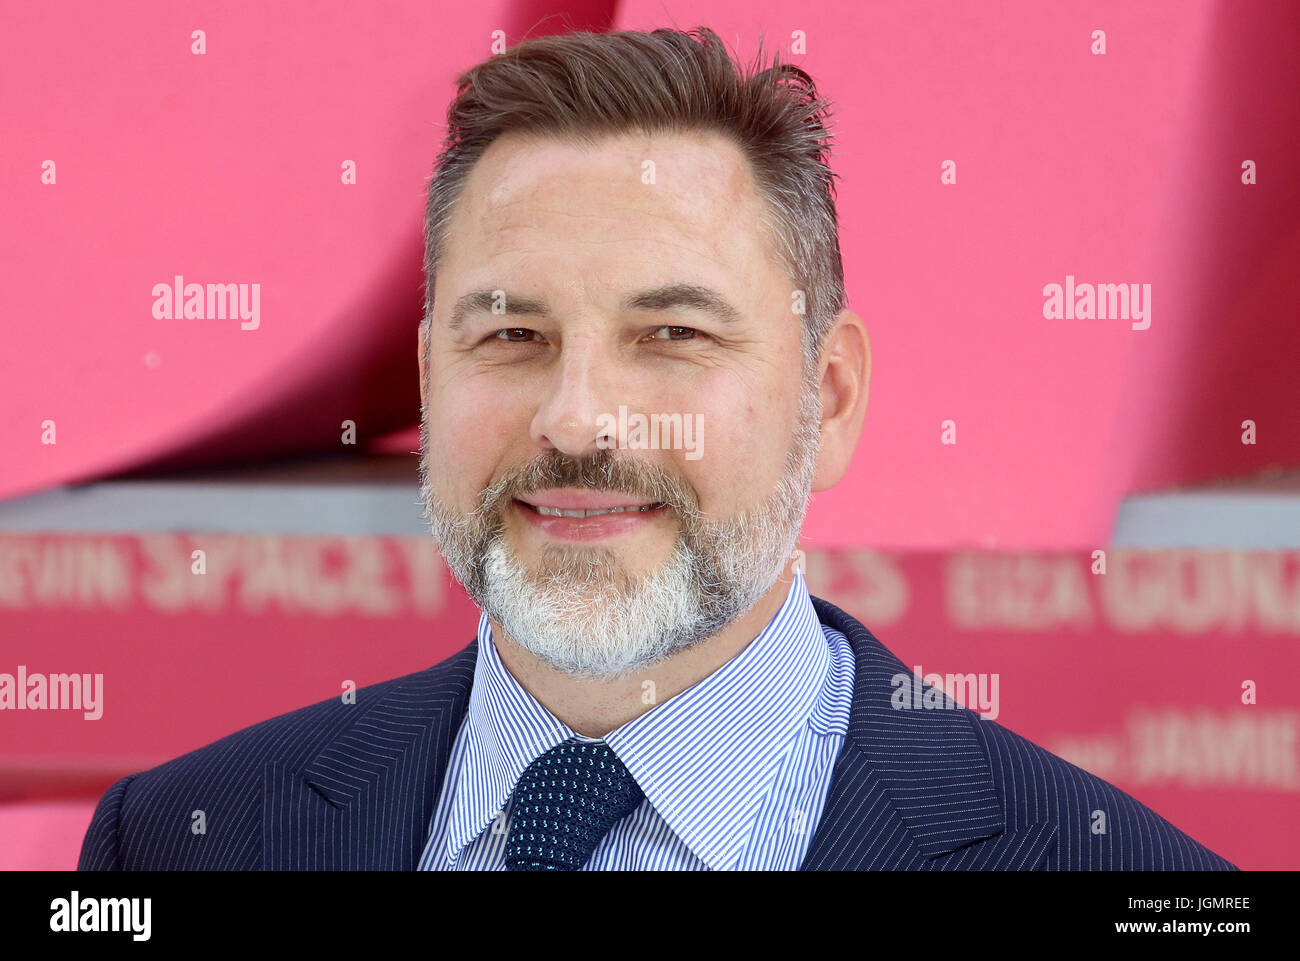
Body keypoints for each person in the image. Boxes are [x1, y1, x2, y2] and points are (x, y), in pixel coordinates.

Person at [80, 26, 1235, 871]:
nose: (577, 420)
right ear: (431, 374)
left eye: (672, 334)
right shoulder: (183, 839)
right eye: (513, 333)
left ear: (826, 399)